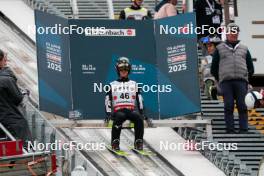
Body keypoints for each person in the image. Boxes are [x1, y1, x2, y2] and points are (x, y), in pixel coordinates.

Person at [211, 23, 254, 134]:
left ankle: (244, 129)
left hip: (241, 81)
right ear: (227, 33)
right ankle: (230, 129)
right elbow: (213, 68)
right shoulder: (219, 48)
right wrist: (219, 78)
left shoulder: (244, 48)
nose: (234, 34)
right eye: (231, 32)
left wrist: (246, 77)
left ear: (238, 33)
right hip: (226, 82)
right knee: (228, 105)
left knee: (242, 105)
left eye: (235, 32)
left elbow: (251, 67)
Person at [105, 57, 146, 151]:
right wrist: (108, 114)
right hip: (118, 110)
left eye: (126, 69)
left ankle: (138, 141)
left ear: (129, 70)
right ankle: (115, 142)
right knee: (119, 118)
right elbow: (107, 100)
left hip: (130, 110)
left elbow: (139, 99)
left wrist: (142, 113)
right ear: (118, 70)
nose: (123, 71)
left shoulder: (134, 84)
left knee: (138, 118)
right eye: (121, 69)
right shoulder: (112, 84)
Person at [0, 49, 31, 143]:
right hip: (12, 121)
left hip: (3, 123)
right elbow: (18, 99)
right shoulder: (6, 80)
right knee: (23, 148)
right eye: (5, 60)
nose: (6, 63)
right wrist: (24, 94)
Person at [200, 35, 222, 100]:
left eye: (210, 46)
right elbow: (204, 75)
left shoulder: (224, 58)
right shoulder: (205, 59)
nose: (208, 48)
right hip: (210, 89)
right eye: (207, 47)